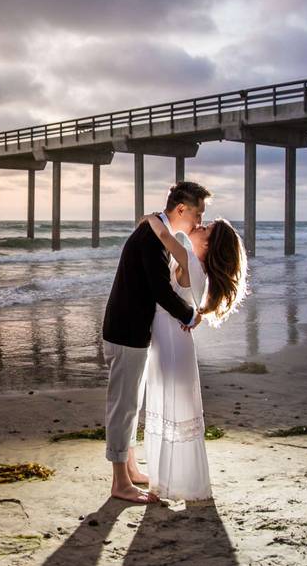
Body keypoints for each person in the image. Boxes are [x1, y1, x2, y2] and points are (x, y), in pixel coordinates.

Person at [101, 181, 209, 504]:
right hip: (126, 332)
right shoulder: (152, 237)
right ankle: (120, 483)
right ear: (181, 210)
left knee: (130, 403)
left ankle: (130, 469)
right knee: (123, 407)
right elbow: (161, 291)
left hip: (131, 330)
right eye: (197, 214)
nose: (199, 222)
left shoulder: (156, 232)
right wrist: (190, 316)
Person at [141, 212, 248, 501]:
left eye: (206, 227)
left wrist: (150, 219)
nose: (199, 226)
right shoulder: (196, 265)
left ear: (209, 245)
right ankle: (173, 483)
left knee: (171, 408)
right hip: (171, 339)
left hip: (172, 343)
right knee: (171, 408)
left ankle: (167, 485)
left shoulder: (190, 259)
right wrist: (193, 316)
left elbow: (164, 235)